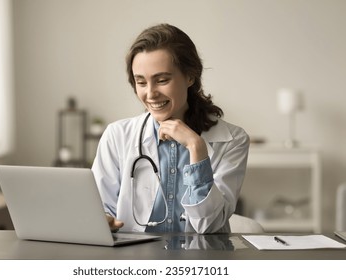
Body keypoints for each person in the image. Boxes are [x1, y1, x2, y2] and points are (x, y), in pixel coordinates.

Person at [92, 23, 250, 234]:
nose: (150, 94)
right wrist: (101, 220)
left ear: (190, 76)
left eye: (162, 80)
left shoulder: (233, 139)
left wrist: (197, 148)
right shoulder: (117, 136)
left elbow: (209, 225)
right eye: (141, 82)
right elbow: (100, 209)